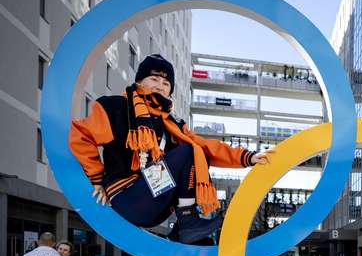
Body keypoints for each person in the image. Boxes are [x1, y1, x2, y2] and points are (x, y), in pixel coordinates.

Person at [69, 54, 273, 245]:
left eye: (166, 83)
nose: (160, 86)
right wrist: (96, 179)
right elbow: (81, 136)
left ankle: (182, 232)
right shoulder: (116, 106)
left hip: (155, 202)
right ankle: (188, 221)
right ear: (140, 81)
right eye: (154, 79)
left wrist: (249, 157)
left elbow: (207, 147)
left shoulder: (172, 124)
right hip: (126, 197)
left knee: (193, 150)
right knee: (186, 151)